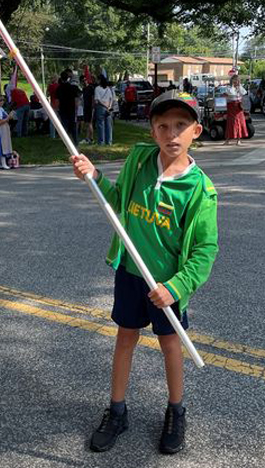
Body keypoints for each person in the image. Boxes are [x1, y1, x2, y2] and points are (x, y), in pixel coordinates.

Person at [71, 90, 218, 455]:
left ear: (196, 131)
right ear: (152, 131)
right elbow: (119, 201)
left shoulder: (200, 190)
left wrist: (177, 286)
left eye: (181, 126)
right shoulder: (139, 160)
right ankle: (117, 411)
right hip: (131, 273)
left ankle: (175, 411)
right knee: (125, 337)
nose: (172, 134)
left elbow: (205, 250)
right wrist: (94, 176)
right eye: (163, 126)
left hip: (167, 285)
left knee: (171, 345)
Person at [223, 75, 248, 145]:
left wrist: (239, 87)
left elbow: (244, 94)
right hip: (231, 107)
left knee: (240, 122)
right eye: (234, 80)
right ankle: (227, 140)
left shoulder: (240, 88)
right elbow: (227, 95)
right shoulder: (229, 88)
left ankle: (238, 140)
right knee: (231, 123)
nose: (236, 81)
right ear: (232, 81)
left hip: (239, 107)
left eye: (237, 80)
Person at [56, 70, 80, 143]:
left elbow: (57, 100)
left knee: (64, 126)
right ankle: (75, 141)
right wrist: (76, 108)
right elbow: (76, 99)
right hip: (71, 108)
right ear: (68, 78)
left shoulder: (59, 88)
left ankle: (66, 141)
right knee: (73, 125)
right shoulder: (72, 87)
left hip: (63, 109)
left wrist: (57, 108)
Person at [94, 74, 114, 145]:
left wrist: (105, 105)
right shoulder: (108, 89)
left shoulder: (97, 89)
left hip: (101, 107)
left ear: (99, 80)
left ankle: (101, 141)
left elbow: (98, 100)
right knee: (109, 125)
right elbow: (111, 98)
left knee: (100, 125)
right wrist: (109, 106)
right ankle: (109, 141)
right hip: (109, 107)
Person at [81, 75, 96, 144]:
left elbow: (93, 98)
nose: (84, 82)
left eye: (85, 80)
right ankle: (88, 138)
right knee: (87, 123)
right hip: (86, 107)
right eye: (83, 81)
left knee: (89, 123)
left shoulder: (91, 88)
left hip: (90, 107)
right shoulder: (84, 89)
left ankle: (90, 138)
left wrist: (93, 107)